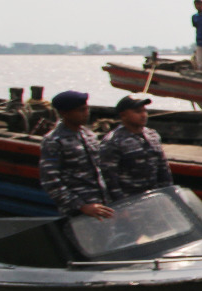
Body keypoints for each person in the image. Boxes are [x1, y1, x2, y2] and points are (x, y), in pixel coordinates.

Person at [39, 90, 113, 219]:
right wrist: (81, 206)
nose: (86, 113)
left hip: (101, 205)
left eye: (86, 109)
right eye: (80, 110)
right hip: (77, 212)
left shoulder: (88, 135)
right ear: (64, 113)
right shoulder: (54, 140)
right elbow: (50, 181)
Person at [100, 96, 174, 200]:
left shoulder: (152, 135)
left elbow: (163, 168)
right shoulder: (113, 141)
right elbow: (109, 178)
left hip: (154, 199)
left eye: (144, 111)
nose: (143, 115)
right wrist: (120, 204)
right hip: (131, 200)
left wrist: (169, 194)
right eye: (138, 112)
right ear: (123, 115)